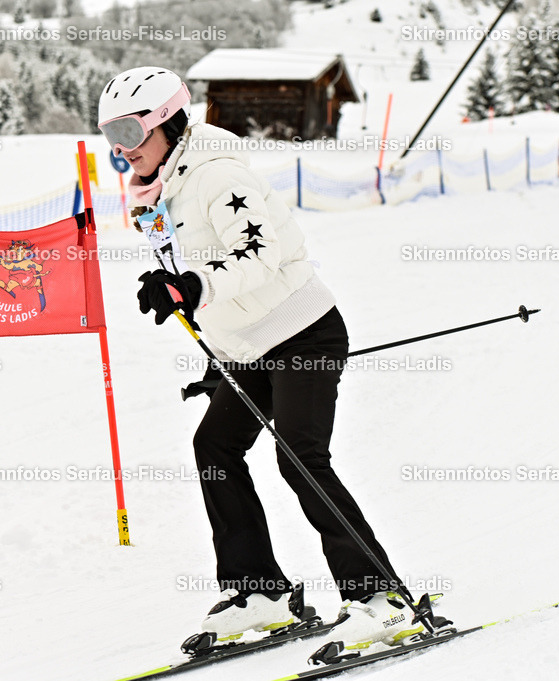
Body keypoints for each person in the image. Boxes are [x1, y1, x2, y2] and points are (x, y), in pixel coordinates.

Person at [97, 66, 447, 651]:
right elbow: (201, 274)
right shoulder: (157, 191)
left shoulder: (217, 177)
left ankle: (380, 598)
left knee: (300, 455)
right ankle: (261, 592)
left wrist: (189, 287)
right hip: (250, 348)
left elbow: (257, 258)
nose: (120, 148)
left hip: (302, 333)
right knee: (215, 446)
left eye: (130, 131)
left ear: (169, 123)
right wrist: (190, 310)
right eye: (109, 132)